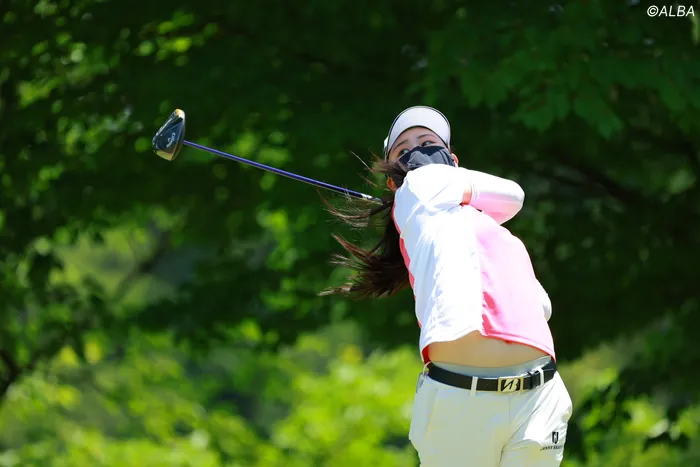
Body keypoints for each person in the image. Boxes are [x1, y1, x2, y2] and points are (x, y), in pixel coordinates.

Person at [322, 106, 573, 466]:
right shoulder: (416, 189)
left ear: (453, 160)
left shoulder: (488, 228)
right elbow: (514, 195)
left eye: (428, 142)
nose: (417, 151)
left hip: (538, 396)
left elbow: (540, 307)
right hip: (462, 399)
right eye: (403, 151)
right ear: (393, 182)